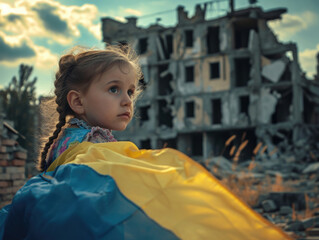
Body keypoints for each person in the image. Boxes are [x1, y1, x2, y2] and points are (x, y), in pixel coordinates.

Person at [0, 45, 291, 240]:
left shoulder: (85, 143)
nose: (127, 100)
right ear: (77, 101)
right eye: (114, 89)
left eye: (130, 91)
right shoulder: (86, 150)